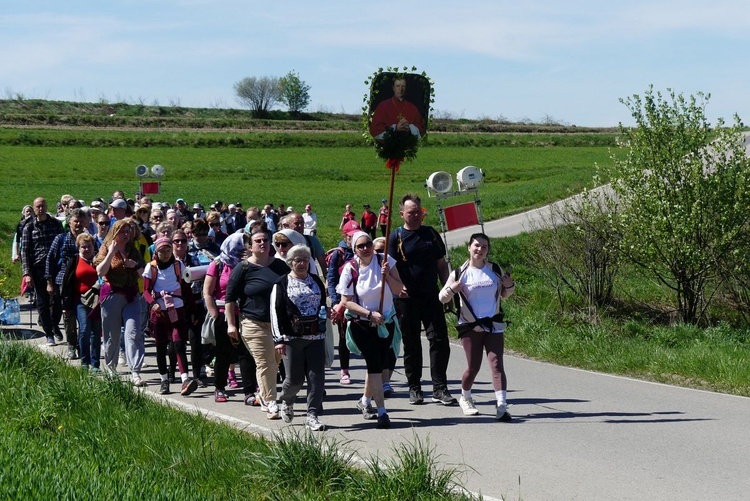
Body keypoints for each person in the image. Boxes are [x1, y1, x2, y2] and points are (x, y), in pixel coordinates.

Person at [388, 193, 456, 406]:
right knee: (412, 343)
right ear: (402, 214)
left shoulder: (431, 234)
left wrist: (448, 290)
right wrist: (398, 288)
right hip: (406, 299)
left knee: (439, 341)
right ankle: (414, 387)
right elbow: (388, 269)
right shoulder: (395, 237)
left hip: (432, 296)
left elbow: (442, 265)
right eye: (412, 212)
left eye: (419, 211)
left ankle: (440, 388)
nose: (417, 215)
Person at [438, 233, 515, 421]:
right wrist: (452, 290)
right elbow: (442, 297)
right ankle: (465, 397)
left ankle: (502, 406)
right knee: (473, 367)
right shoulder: (459, 272)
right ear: (469, 247)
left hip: (493, 324)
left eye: (484, 247)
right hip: (470, 326)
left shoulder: (494, 269)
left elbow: (505, 294)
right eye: (476, 246)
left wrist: (509, 285)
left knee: (497, 365)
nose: (480, 250)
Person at [337, 231, 404, 429]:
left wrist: (387, 277)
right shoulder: (350, 269)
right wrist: (369, 314)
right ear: (355, 249)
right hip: (363, 324)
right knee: (374, 364)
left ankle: (365, 401)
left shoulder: (386, 260)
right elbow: (346, 302)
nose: (365, 248)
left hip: (385, 322)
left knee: (378, 365)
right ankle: (382, 412)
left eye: (368, 244)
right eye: (361, 246)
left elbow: (399, 289)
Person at [225, 231, 290, 420]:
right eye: (258, 241)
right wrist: (231, 325)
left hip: (277, 323)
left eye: (265, 240)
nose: (262, 243)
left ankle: (262, 394)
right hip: (253, 322)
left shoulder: (280, 266)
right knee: (265, 362)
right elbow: (230, 298)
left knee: (275, 361)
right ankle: (270, 402)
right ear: (250, 246)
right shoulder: (243, 268)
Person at [270, 244, 327, 431]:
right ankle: (287, 400)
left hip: (316, 336)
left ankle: (312, 415)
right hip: (291, 337)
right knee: (294, 379)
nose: (302, 263)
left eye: (305, 259)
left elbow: (322, 306)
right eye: (297, 260)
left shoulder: (316, 281)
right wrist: (279, 340)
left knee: (316, 377)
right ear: (290, 263)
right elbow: (275, 312)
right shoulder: (281, 283)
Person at [204, 232, 259, 404]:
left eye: (247, 245)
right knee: (223, 353)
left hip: (245, 314)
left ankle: (249, 392)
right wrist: (214, 315)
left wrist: (249, 260)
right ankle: (220, 387)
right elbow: (207, 292)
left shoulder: (248, 264)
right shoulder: (218, 264)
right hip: (223, 314)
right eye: (241, 245)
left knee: (247, 353)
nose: (244, 249)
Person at [143, 237, 198, 396]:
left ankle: (185, 380)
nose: (166, 254)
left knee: (179, 344)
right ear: (156, 252)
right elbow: (146, 291)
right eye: (162, 251)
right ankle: (164, 380)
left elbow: (186, 288)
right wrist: (153, 302)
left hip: (177, 310)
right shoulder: (151, 268)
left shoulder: (178, 265)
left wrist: (193, 309)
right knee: (160, 347)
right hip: (159, 312)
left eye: (168, 250)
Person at [94, 219, 146, 384]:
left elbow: (145, 275)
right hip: (112, 295)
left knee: (134, 333)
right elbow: (100, 272)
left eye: (128, 231)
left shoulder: (133, 250)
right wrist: (111, 253)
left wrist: (135, 265)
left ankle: (135, 372)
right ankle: (111, 368)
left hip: (131, 296)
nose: (126, 235)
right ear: (114, 233)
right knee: (112, 334)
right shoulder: (105, 247)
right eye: (122, 231)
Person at [45, 208, 88, 359]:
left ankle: (83, 345)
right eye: (75, 221)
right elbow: (50, 259)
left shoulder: (88, 240)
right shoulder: (60, 239)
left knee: (85, 315)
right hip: (64, 282)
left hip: (84, 282)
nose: (78, 224)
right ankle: (71, 345)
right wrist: (49, 282)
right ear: (69, 223)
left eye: (81, 221)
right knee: (68, 315)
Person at [21, 197, 64, 346]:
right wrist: (27, 273)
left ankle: (54, 323)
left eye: (43, 206)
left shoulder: (56, 224)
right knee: (42, 302)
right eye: (38, 206)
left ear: (46, 207)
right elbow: (25, 251)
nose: (41, 208)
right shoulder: (29, 228)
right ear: (34, 209)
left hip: (56, 267)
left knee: (58, 299)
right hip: (38, 268)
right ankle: (49, 333)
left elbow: (63, 244)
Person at [60, 233, 102, 371]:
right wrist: (66, 305)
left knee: (96, 332)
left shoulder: (99, 260)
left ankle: (95, 364)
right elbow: (66, 283)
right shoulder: (75, 261)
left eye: (89, 246)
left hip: (98, 301)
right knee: (84, 330)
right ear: (78, 248)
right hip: (80, 301)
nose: (86, 249)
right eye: (83, 247)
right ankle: (85, 361)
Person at [327, 220, 359, 384]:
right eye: (350, 236)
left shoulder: (363, 250)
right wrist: (334, 302)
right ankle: (344, 370)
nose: (353, 239)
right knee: (343, 336)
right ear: (345, 236)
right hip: (343, 302)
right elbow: (331, 279)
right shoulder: (338, 254)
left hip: (361, 300)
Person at [369, 76, 425, 140]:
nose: (400, 89)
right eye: (398, 86)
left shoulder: (413, 108)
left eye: (403, 86)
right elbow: (375, 130)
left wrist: (410, 128)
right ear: (393, 88)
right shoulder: (383, 106)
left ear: (406, 88)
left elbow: (421, 129)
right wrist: (395, 128)